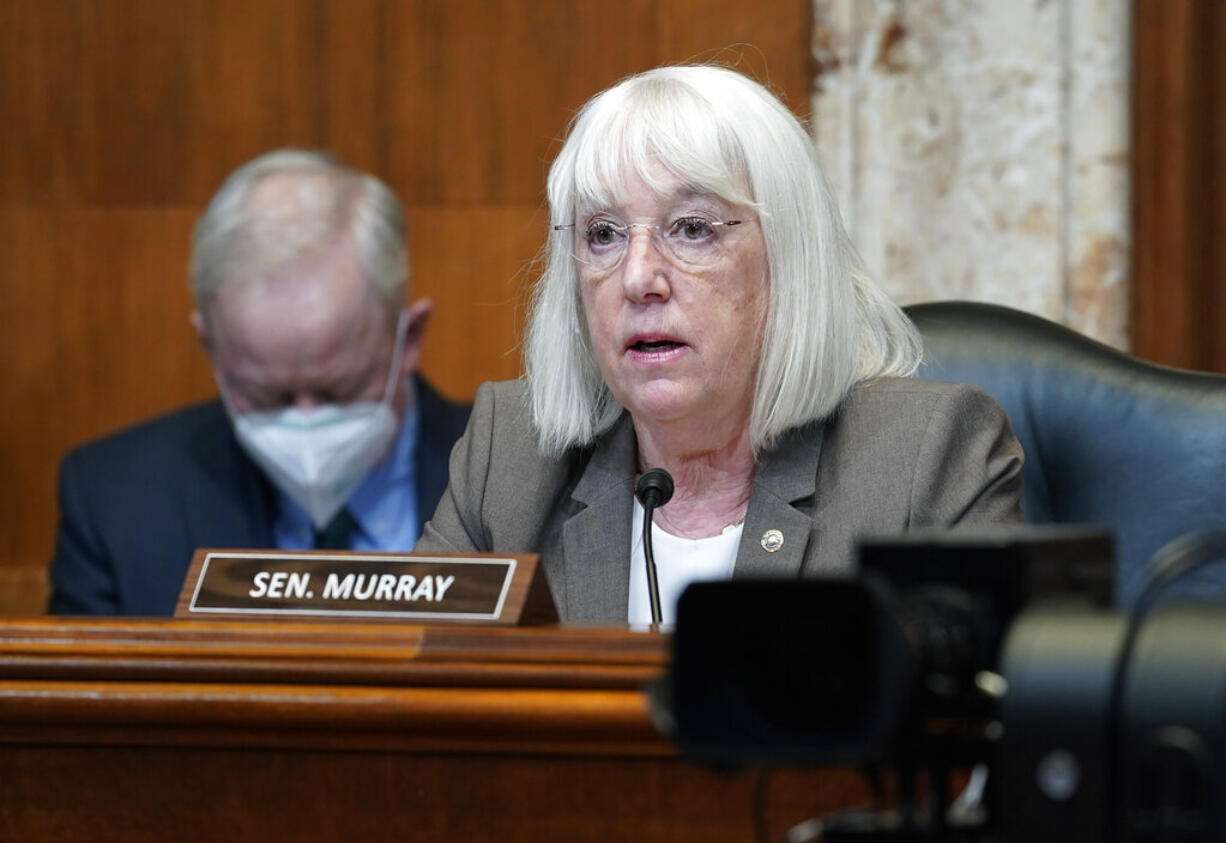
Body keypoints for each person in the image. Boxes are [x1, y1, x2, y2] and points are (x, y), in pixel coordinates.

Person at [416, 65, 1023, 625]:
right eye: (604, 234)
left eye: (693, 229)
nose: (637, 278)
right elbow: (412, 705)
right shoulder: (510, 456)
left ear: (788, 259)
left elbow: (964, 731)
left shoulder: (925, 458)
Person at [50, 150, 471, 616]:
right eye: (267, 397)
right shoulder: (118, 500)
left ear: (408, 338)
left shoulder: (531, 482)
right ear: (211, 347)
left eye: (339, 391)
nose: (306, 425)